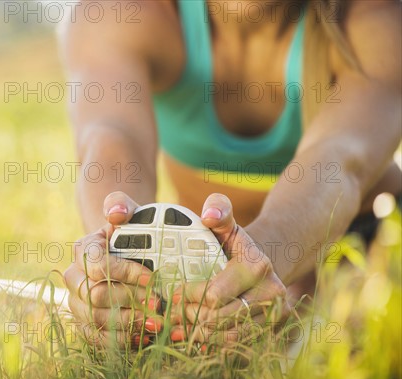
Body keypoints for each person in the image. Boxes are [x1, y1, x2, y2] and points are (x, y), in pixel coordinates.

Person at [59, 0, 401, 346]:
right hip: (214, 274)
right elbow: (111, 138)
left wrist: (255, 264)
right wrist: (115, 260)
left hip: (365, 240)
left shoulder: (376, 17)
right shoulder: (119, 12)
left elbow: (339, 161)